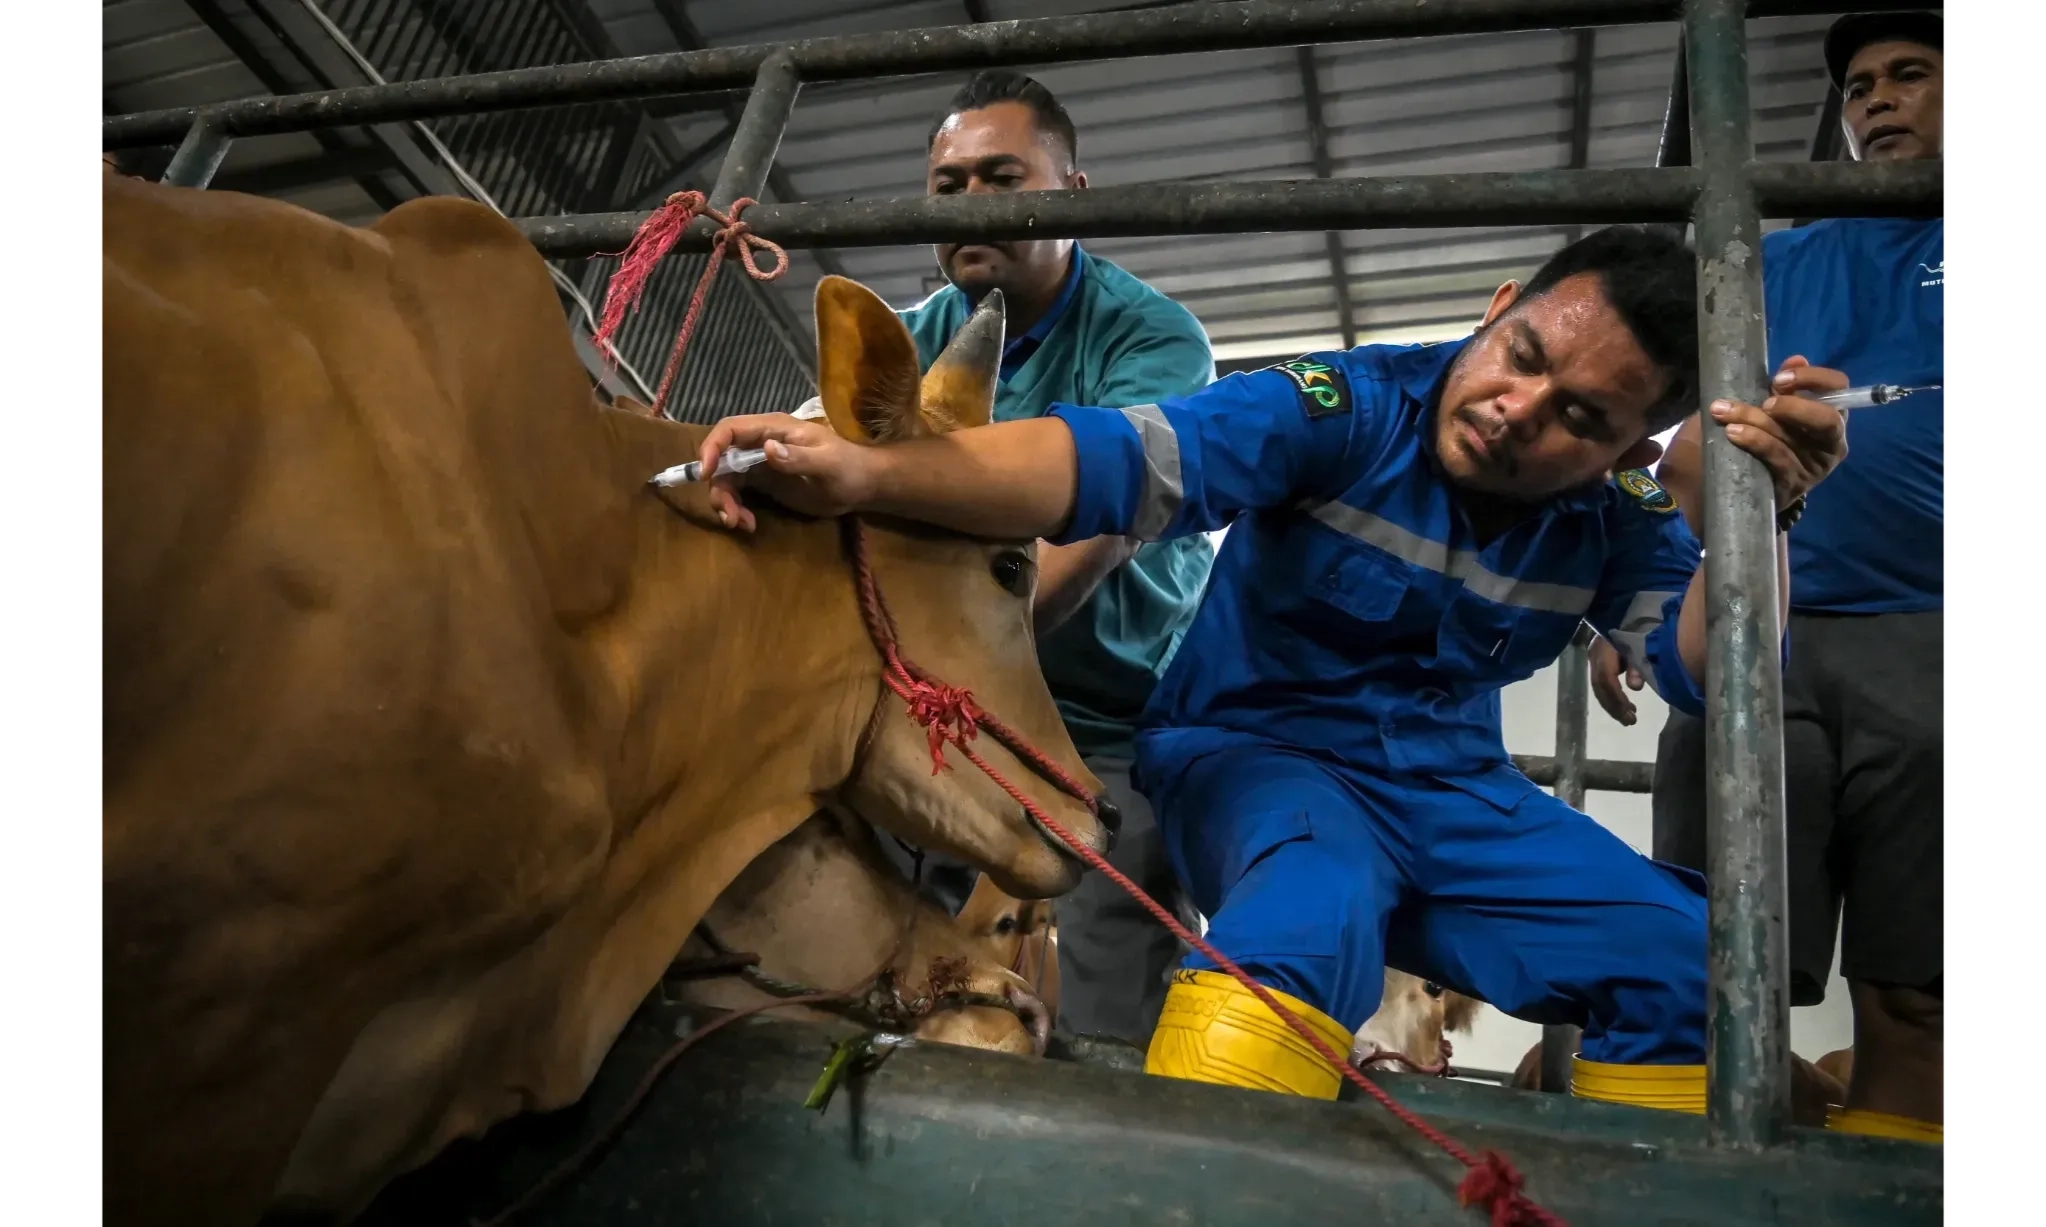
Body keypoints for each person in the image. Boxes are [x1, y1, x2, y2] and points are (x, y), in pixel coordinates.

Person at [694, 224, 1850, 1115]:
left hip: (1453, 798)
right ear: (1498, 310)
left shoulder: (1623, 519)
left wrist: (1768, 515)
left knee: (1685, 962)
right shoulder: (1342, 408)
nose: (1516, 410)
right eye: (1521, 357)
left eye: (1579, 416)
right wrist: (868, 474)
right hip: (1256, 757)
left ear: (1626, 450)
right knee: (1311, 914)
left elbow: (1706, 676)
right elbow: (1114, 461)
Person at [1586, 11, 1949, 1144]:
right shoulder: (1765, 256)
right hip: (1760, 619)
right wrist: (1625, 603)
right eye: (1859, 86)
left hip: (1940, 641)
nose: (1877, 98)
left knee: (1917, 992)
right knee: (1710, 980)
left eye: (1911, 74)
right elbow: (1656, 424)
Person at [852, 70, 1219, 1048]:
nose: (972, 202)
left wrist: (941, 683)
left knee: (1115, 962)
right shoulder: (914, 339)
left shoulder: (1155, 339)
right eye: (949, 184)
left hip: (1105, 713)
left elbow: (1096, 536)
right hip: (947, 695)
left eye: (1002, 177)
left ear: (1074, 191)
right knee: (858, 921)